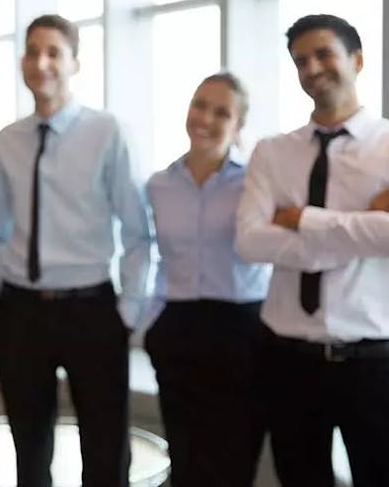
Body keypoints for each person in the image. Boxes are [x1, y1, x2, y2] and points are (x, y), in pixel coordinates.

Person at [236, 14, 389, 487]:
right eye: (301, 60)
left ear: (357, 60)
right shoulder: (272, 152)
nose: (312, 68)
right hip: (287, 359)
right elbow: (250, 242)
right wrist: (366, 217)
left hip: (373, 361)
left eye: (324, 54)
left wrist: (303, 218)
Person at [0, 14, 153, 487]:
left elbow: (138, 230)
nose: (41, 63)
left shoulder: (107, 132)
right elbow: (2, 230)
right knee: (29, 450)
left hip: (91, 309)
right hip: (19, 310)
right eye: (32, 51)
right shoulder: (7, 141)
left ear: (74, 63)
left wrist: (127, 311)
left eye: (54, 52)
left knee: (104, 449)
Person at [142, 72, 270, 487]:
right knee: (186, 456)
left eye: (221, 112)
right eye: (200, 105)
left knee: (234, 457)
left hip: (241, 330)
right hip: (177, 328)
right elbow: (147, 254)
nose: (206, 118)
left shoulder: (255, 182)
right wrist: (151, 324)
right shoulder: (159, 184)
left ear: (238, 125)